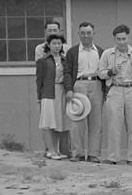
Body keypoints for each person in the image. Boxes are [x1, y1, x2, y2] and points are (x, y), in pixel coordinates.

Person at [98, 25, 132, 165]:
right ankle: (113, 157)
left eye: (124, 38)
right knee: (114, 125)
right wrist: (111, 72)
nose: (122, 42)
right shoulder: (107, 54)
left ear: (128, 38)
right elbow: (100, 73)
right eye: (118, 39)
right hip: (115, 88)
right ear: (114, 39)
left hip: (131, 89)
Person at [64, 21, 105, 163]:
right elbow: (67, 71)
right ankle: (78, 153)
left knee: (96, 122)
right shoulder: (73, 52)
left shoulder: (100, 51)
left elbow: (104, 71)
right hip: (79, 85)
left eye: (89, 32)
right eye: (83, 33)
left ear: (94, 33)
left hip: (96, 84)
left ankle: (94, 154)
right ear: (79, 34)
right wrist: (69, 89)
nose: (86, 35)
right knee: (77, 122)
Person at [33, 20, 67, 156]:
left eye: (59, 43)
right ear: (48, 44)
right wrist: (39, 97)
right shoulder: (43, 60)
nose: (57, 46)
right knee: (47, 121)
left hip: (61, 91)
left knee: (58, 121)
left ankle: (57, 150)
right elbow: (39, 80)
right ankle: (50, 150)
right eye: (54, 43)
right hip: (48, 92)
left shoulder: (64, 59)